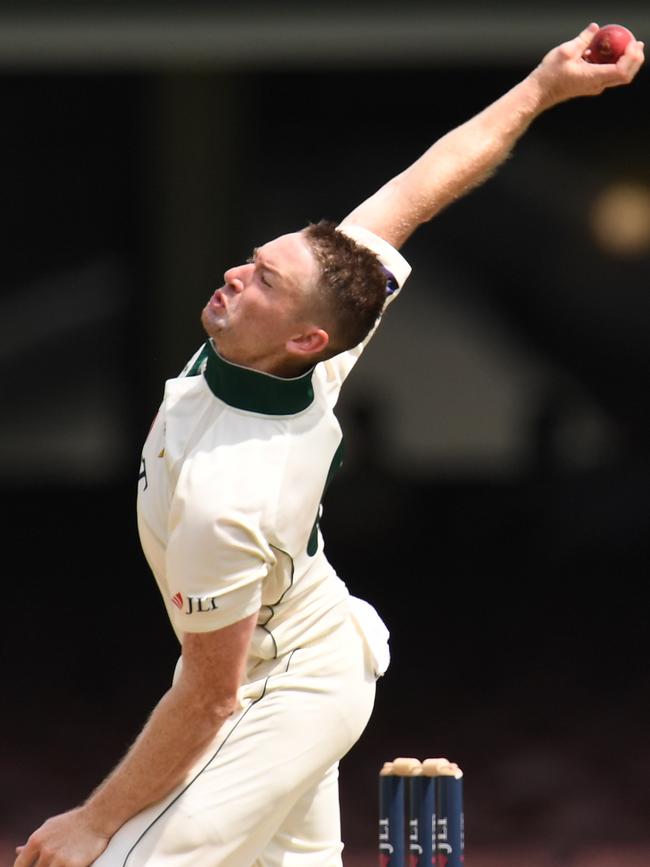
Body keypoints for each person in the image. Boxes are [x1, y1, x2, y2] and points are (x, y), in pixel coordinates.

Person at [15, 23, 644, 867]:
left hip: (282, 688)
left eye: (265, 280)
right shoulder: (307, 348)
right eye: (251, 260)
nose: (238, 274)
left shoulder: (231, 489)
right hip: (294, 653)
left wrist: (93, 821)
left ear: (309, 338)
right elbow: (419, 188)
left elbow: (210, 700)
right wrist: (542, 87)